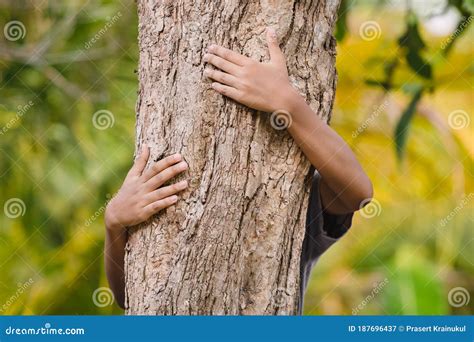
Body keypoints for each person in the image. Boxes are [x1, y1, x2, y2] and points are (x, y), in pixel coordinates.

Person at [104, 28, 373, 312]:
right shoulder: (154, 177)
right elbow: (130, 298)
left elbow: (357, 193)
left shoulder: (295, 193)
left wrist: (289, 104)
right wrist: (114, 223)